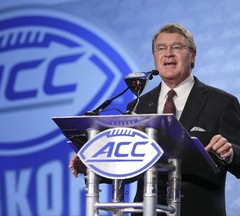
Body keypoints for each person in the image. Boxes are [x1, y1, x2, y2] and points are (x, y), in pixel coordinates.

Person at [69, 23, 240, 216]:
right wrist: (94, 165)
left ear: (193, 56)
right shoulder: (138, 107)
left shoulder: (222, 102)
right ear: (155, 57)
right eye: (161, 48)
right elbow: (129, 167)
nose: (168, 53)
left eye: (177, 47)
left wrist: (231, 152)